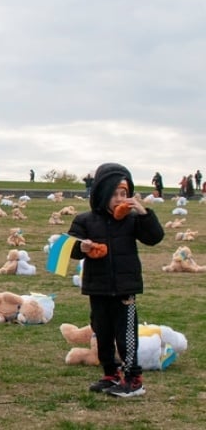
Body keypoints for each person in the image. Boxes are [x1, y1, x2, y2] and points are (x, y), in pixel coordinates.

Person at [67, 163, 164, 398]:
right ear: (101, 193)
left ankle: (133, 379)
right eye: (115, 194)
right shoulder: (86, 220)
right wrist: (83, 246)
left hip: (125, 290)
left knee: (126, 335)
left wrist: (143, 212)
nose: (120, 199)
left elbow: (154, 237)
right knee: (102, 333)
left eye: (124, 194)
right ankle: (110, 374)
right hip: (97, 287)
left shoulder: (132, 220)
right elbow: (70, 248)